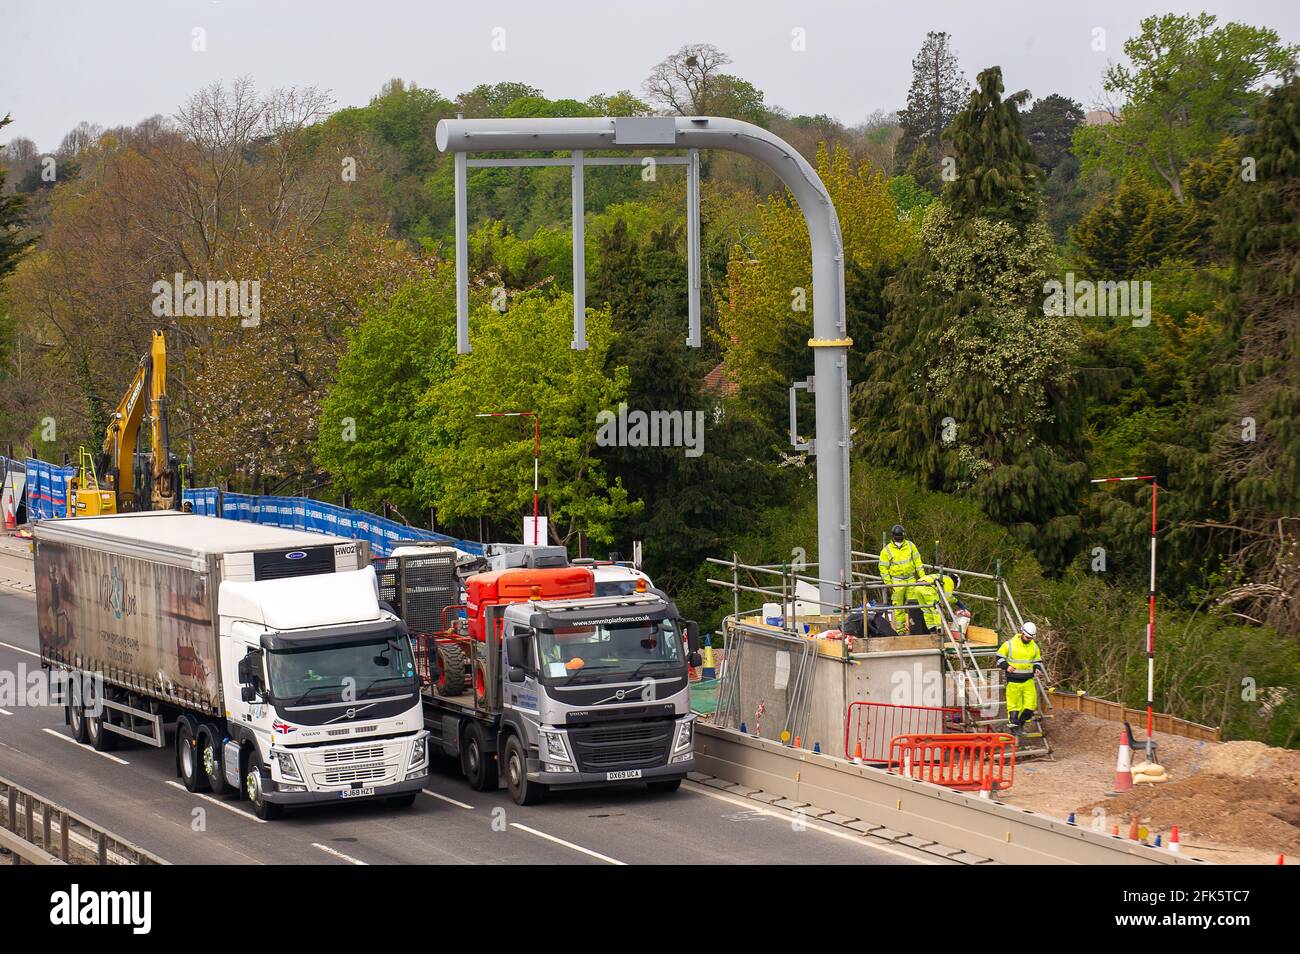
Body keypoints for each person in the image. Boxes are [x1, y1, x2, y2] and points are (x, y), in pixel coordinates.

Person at [997, 621, 1045, 733]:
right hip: (1013, 681)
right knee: (1014, 707)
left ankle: (1019, 725)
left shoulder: (1034, 647)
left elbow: (1037, 660)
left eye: (1031, 638)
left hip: (1028, 680)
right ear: (1022, 632)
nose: (1029, 640)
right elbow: (999, 657)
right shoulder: (1009, 644)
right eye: (1027, 637)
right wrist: (1006, 666)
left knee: (1030, 706)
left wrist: (1037, 668)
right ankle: (1014, 728)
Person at [878, 524, 923, 633]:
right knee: (898, 608)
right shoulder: (887, 550)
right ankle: (900, 630)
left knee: (913, 606)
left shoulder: (910, 546)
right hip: (897, 581)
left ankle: (913, 629)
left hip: (911, 579)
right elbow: (883, 568)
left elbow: (918, 563)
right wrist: (889, 583)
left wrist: (923, 578)